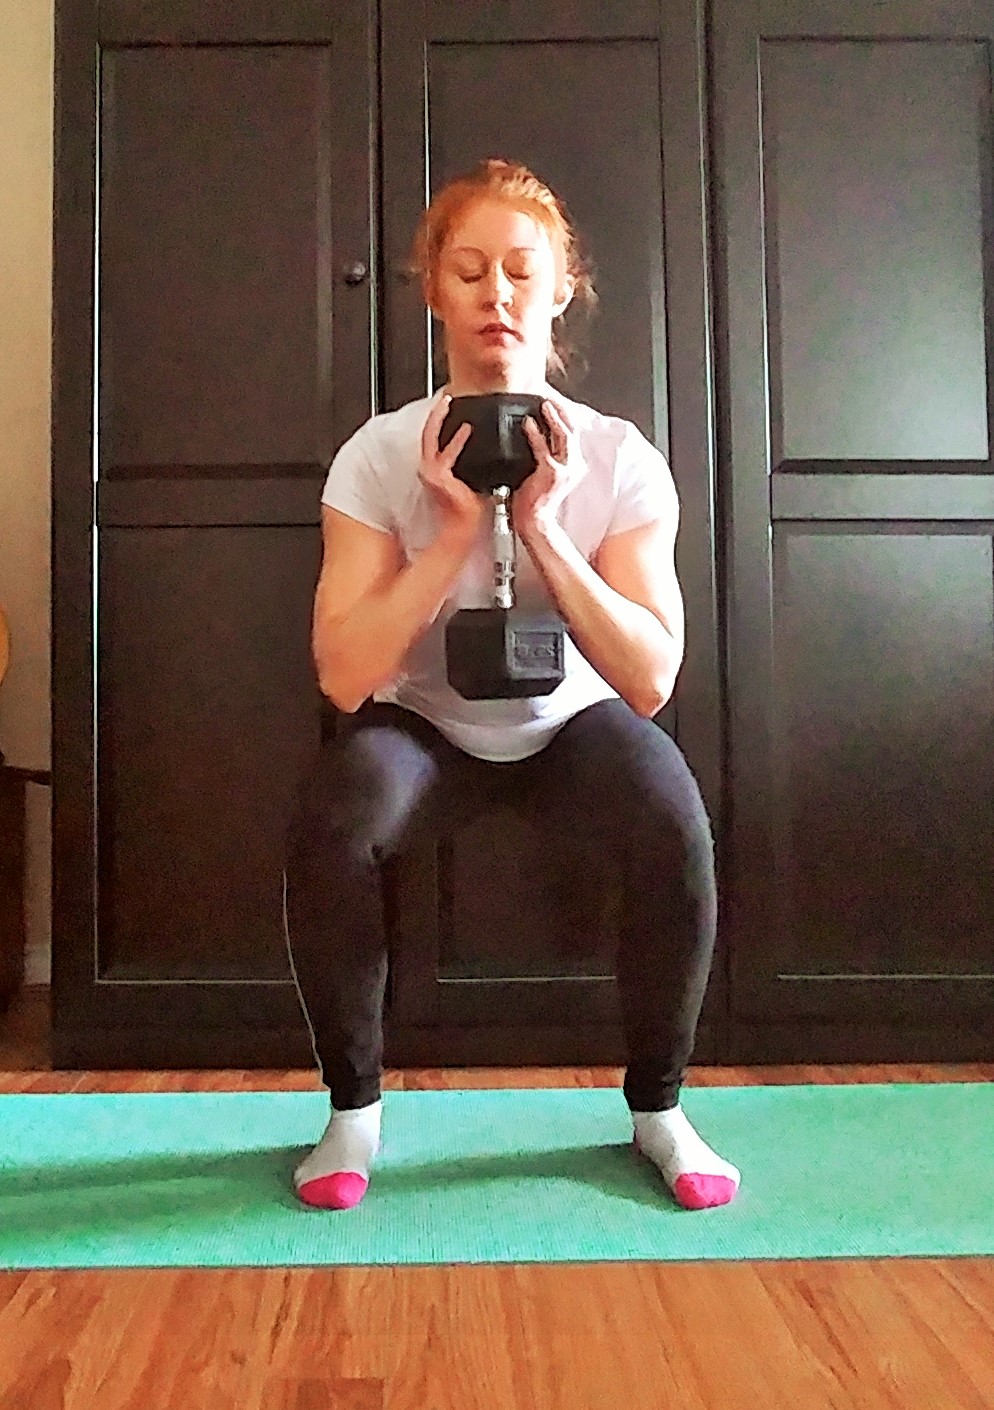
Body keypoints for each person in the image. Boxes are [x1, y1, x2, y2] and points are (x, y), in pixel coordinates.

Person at [282, 158, 740, 1213]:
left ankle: (660, 1111)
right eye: (471, 270)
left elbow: (649, 677)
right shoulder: (376, 456)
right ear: (434, 290)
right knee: (334, 819)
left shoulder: (619, 458)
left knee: (670, 818)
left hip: (570, 720)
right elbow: (344, 675)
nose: (498, 293)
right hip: (422, 723)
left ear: (560, 289)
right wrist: (450, 534)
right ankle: (352, 1114)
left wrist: (541, 526)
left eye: (522, 271)